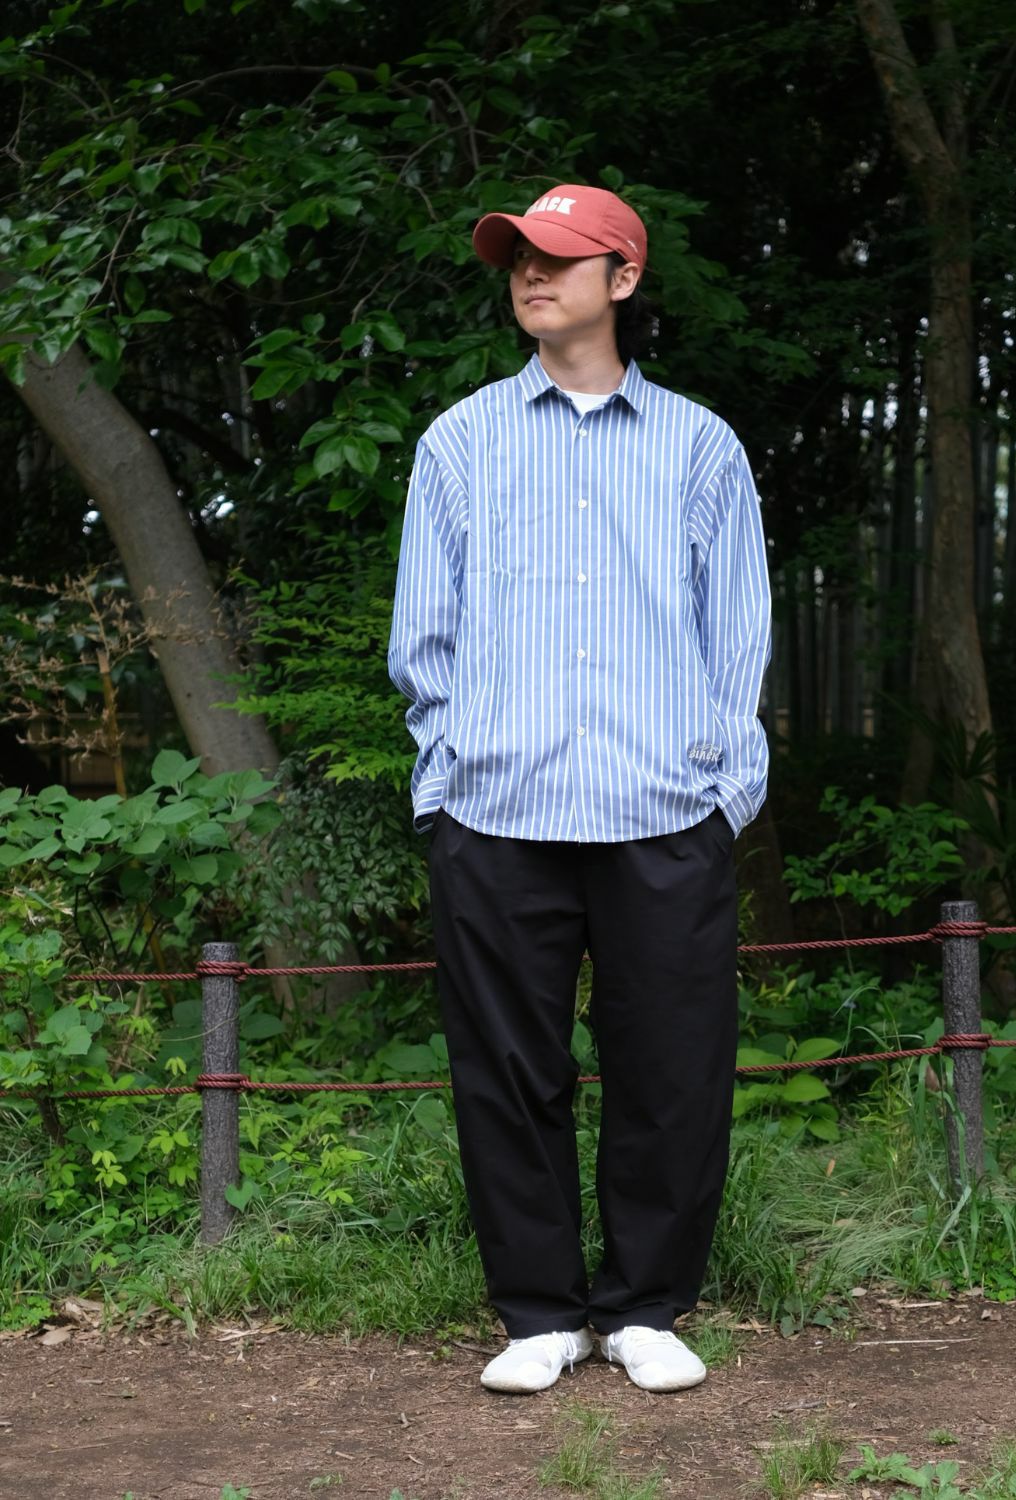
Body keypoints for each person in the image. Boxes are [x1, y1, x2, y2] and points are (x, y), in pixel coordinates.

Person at [387, 182, 771, 1395]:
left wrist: (725, 790)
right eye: (518, 257)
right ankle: (541, 1313)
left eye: (558, 256)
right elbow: (424, 641)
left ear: (625, 277)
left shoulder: (700, 446)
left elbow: (737, 638)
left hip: (665, 809)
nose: (531, 274)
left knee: (674, 1068)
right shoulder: (459, 443)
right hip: (496, 810)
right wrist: (446, 777)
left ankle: (646, 1307)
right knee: (507, 1072)